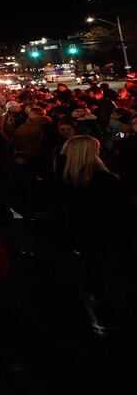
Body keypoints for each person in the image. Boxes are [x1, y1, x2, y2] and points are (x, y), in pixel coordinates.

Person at [59, 136, 133, 335]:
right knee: (112, 278)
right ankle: (110, 317)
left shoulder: (68, 176)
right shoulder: (104, 179)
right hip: (109, 234)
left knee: (94, 273)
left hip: (85, 234)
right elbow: (122, 210)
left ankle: (96, 313)